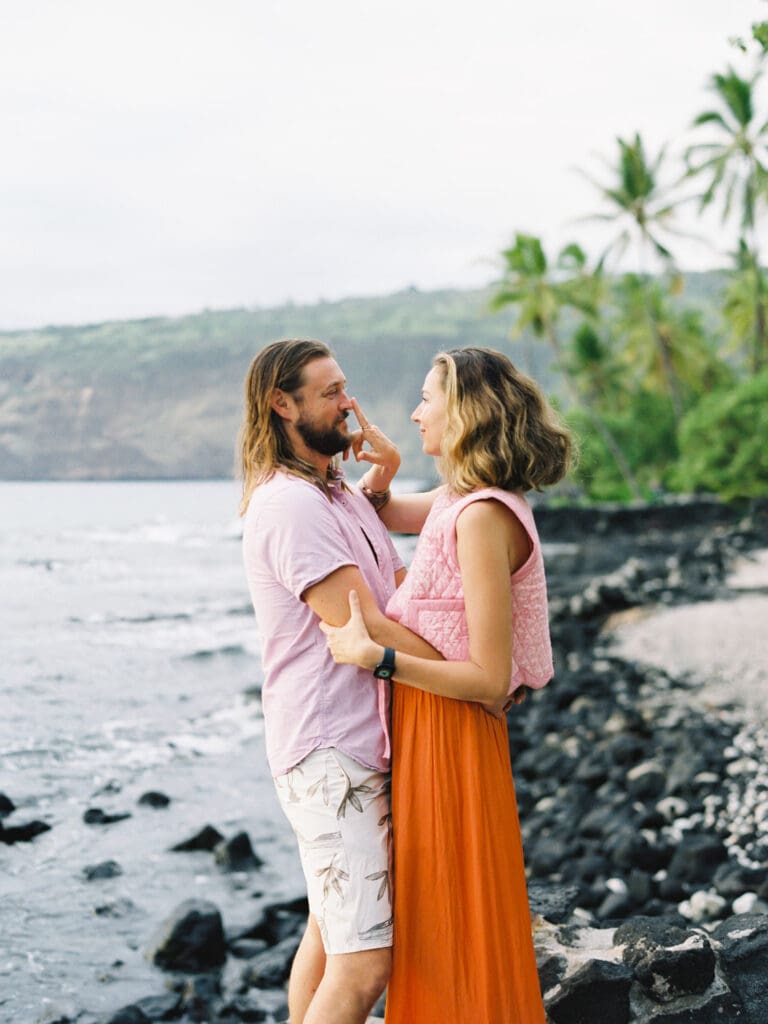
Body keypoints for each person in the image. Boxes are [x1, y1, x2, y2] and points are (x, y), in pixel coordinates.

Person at [320, 346, 572, 1023]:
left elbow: (489, 678)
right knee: (434, 914)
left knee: (451, 915)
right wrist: (389, 469)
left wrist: (376, 656)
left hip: (453, 728)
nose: (415, 411)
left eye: (428, 399)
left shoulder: (484, 515)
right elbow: (384, 517)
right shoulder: (459, 499)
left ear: (464, 412)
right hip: (429, 723)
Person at [238, 338, 443, 1024]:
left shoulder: (330, 493)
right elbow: (371, 625)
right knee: (364, 964)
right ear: (281, 404)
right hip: (333, 753)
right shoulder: (291, 507)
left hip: (346, 742)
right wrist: (473, 677)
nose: (348, 403)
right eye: (330, 393)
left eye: (345, 386)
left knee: (330, 937)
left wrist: (383, 473)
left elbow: (379, 564)